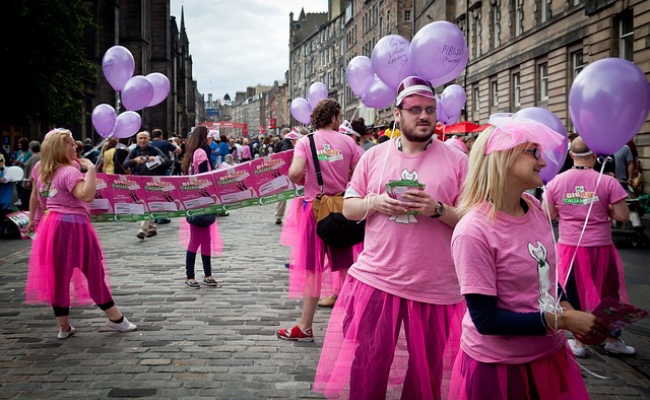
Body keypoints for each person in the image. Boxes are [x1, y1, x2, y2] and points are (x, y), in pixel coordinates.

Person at [314, 76, 467, 399]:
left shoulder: (458, 161)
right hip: (378, 280)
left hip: (434, 285)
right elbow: (350, 209)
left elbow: (473, 221)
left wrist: (437, 209)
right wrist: (375, 203)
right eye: (414, 109)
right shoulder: (374, 156)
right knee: (369, 365)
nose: (423, 116)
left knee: (427, 374)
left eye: (429, 109)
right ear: (397, 114)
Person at [449, 120, 608, 400]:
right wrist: (564, 321)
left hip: (549, 356)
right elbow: (486, 321)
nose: (544, 162)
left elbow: (544, 278)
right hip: (500, 369)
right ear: (503, 158)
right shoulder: (473, 231)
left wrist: (569, 311)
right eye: (534, 152)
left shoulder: (534, 208)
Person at [24, 129, 136, 339]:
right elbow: (85, 195)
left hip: (51, 224)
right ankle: (116, 320)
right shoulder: (69, 171)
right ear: (60, 148)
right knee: (93, 272)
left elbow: (38, 197)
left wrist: (34, 220)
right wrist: (91, 169)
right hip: (73, 226)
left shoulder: (42, 169)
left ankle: (64, 328)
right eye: (70, 144)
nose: (74, 147)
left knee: (59, 277)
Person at [276, 98, 360, 343]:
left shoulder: (305, 142)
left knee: (313, 271)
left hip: (315, 210)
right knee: (345, 269)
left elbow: (293, 173)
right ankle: (352, 324)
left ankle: (305, 326)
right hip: (342, 210)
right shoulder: (348, 141)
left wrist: (306, 182)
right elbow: (361, 172)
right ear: (334, 117)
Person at [544, 137, 634, 357]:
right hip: (600, 247)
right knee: (608, 294)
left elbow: (549, 214)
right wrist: (606, 210)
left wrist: (567, 210)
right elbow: (623, 216)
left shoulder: (556, 182)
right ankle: (612, 338)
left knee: (571, 293)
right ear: (594, 156)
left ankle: (579, 342)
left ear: (571, 155)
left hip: (569, 247)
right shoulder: (607, 182)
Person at [180, 126, 223, 288]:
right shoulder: (202, 153)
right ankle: (191, 276)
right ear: (204, 138)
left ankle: (207, 274)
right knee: (197, 240)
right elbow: (205, 177)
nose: (212, 140)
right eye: (210, 137)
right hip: (201, 200)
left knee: (205, 239)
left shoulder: (194, 152)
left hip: (196, 198)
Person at [123, 131, 171, 240]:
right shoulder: (134, 151)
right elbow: (125, 164)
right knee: (144, 205)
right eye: (140, 138)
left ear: (148, 139)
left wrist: (155, 158)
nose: (142, 140)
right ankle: (152, 227)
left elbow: (167, 161)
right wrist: (134, 160)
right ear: (137, 140)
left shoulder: (153, 149)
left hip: (151, 181)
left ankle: (142, 229)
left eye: (144, 138)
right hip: (138, 181)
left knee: (145, 204)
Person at [273, 128, 301, 225]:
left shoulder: (280, 143)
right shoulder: (291, 144)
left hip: (282, 173)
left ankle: (278, 216)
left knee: (282, 195)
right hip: (293, 171)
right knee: (297, 194)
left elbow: (274, 157)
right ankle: (294, 216)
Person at [19, 141, 41, 211]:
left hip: (30, 184)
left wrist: (29, 181)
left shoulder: (35, 157)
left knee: (25, 198)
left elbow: (33, 169)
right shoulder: (35, 156)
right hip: (29, 182)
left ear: (31, 148)